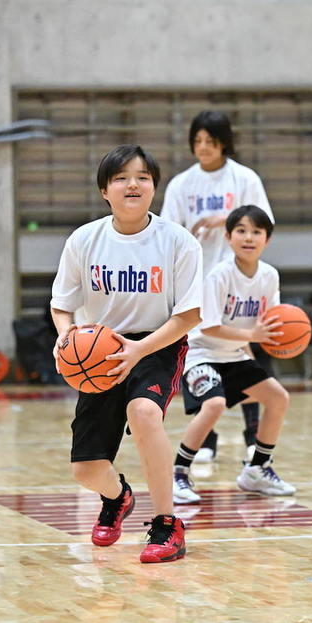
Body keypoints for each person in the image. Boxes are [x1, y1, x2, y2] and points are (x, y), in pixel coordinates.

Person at [50, 144, 202, 563]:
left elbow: (188, 315)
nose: (132, 184)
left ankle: (167, 524)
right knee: (85, 469)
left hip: (157, 342)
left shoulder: (178, 242)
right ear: (105, 190)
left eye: (142, 177)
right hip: (100, 349)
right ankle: (118, 497)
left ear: (154, 187)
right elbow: (62, 305)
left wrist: (139, 351)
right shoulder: (84, 239)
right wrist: (67, 338)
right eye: (121, 178)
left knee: (145, 412)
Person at [161, 110, 275, 463]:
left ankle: (253, 437)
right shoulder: (182, 184)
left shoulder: (244, 178)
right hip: (199, 281)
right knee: (202, 355)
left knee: (248, 351)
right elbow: (166, 231)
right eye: (197, 142)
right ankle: (204, 438)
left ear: (224, 142)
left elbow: (263, 221)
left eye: (210, 142)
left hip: (240, 278)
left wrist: (224, 220)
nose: (203, 148)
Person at [172, 205, 296, 505]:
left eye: (257, 232)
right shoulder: (218, 275)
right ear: (228, 237)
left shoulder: (269, 276)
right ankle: (178, 473)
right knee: (213, 405)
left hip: (235, 354)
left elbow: (268, 320)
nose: (249, 237)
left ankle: (257, 469)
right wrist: (252, 337)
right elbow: (211, 327)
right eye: (241, 230)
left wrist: (280, 338)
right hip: (201, 353)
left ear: (267, 240)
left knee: (278, 398)